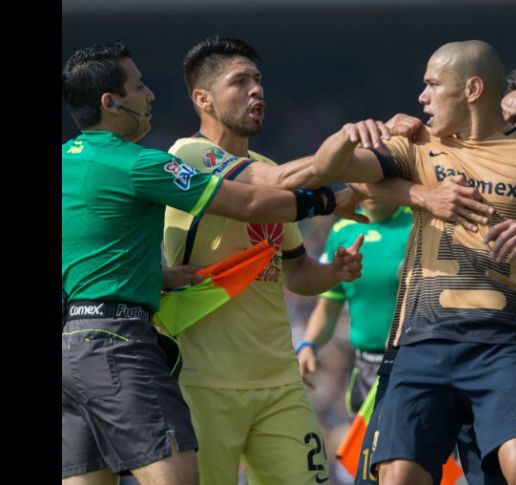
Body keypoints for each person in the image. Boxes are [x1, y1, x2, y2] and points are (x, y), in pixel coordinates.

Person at [310, 40, 516, 485]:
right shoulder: (426, 145)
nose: (508, 124)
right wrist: (411, 184)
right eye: (506, 113)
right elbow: (349, 180)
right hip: (420, 341)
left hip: (500, 344)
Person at [62, 41, 347, 484]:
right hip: (136, 351)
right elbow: (254, 199)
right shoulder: (155, 161)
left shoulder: (69, 161)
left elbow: (91, 252)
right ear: (110, 101)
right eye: (139, 86)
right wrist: (338, 189)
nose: (151, 95)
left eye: (258, 80)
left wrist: (153, 276)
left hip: (76, 344)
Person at [161, 36, 368, 485]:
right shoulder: (188, 156)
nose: (257, 90)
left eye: (258, 80)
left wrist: (333, 271)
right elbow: (269, 187)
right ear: (203, 100)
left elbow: (295, 271)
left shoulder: (269, 168)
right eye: (240, 82)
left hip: (279, 381)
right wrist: (347, 145)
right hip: (203, 383)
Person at [297, 199, 412, 416]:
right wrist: (308, 345)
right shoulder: (342, 230)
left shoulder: (417, 223)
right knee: (362, 450)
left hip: (411, 367)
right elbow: (328, 306)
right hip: (365, 369)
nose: (369, 185)